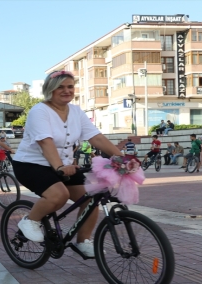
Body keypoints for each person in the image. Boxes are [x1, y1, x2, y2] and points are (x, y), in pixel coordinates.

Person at [12, 70, 122, 256]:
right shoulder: (39, 111)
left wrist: (122, 158)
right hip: (31, 164)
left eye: (70, 86)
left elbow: (96, 138)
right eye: (60, 87)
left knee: (90, 199)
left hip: (64, 165)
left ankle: (83, 241)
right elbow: (46, 142)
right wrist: (60, 167)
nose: (66, 90)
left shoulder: (77, 112)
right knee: (58, 195)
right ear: (50, 90)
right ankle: (30, 220)